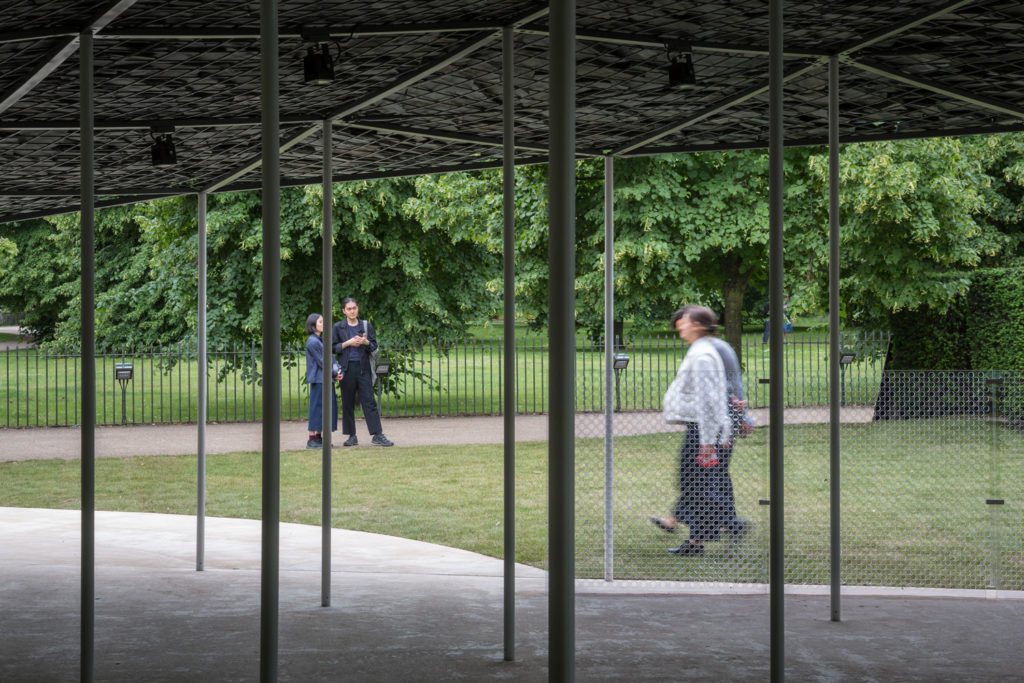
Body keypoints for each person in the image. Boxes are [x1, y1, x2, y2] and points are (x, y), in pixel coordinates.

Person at [650, 305, 731, 556]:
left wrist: (708, 442)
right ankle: (702, 536)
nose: (679, 327)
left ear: (697, 324)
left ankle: (709, 533)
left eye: (684, 322)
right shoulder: (701, 350)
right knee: (693, 484)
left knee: (695, 485)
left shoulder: (703, 355)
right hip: (702, 430)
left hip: (702, 432)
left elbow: (709, 400)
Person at [707, 334, 753, 538]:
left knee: (713, 473)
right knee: (718, 473)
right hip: (720, 419)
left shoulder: (718, 349)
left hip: (724, 421)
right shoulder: (712, 348)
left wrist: (742, 418)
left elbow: (734, 384)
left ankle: (728, 521)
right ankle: (727, 521)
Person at [331, 298, 394, 447]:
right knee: (347, 403)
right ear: (344, 311)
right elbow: (332, 348)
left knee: (369, 401)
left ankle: (377, 435)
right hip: (346, 369)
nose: (352, 311)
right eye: (349, 309)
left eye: (354, 308)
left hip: (363, 368)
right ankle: (351, 436)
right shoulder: (338, 327)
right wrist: (348, 343)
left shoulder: (366, 325)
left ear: (357, 309)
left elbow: (374, 346)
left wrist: (365, 342)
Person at [305, 313, 339, 449]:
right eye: (320, 322)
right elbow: (322, 362)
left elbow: (331, 359)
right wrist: (334, 373)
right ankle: (312, 439)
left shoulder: (320, 339)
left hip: (325, 379)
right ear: (313, 325)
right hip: (319, 380)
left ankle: (318, 438)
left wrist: (337, 371)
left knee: (325, 409)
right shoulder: (313, 341)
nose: (323, 324)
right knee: (317, 409)